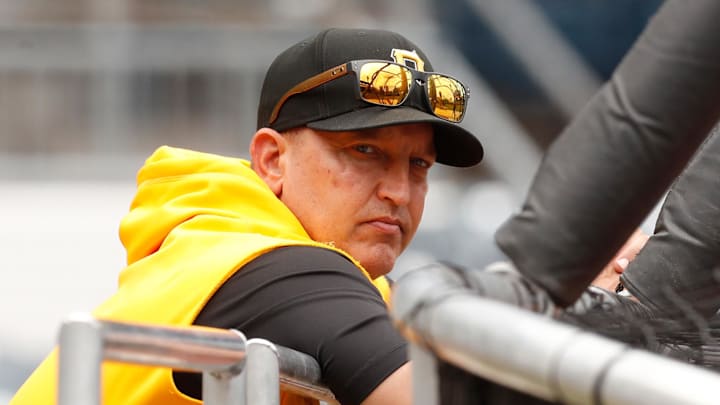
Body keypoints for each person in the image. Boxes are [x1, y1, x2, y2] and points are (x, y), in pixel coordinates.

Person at [11, 28, 484, 405]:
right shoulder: (267, 264)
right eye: (364, 151)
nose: (399, 191)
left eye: (418, 164)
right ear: (273, 161)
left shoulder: (325, 278)